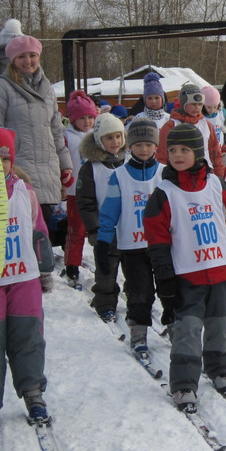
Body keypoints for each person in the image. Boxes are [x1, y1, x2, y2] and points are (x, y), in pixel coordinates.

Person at [143, 123, 226, 413]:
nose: (177, 155)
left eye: (185, 150)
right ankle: (185, 383)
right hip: (187, 276)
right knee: (187, 330)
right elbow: (158, 242)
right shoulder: (163, 194)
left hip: (220, 271)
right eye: (173, 150)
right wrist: (164, 282)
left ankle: (220, 368)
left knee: (220, 326)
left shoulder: (216, 184)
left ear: (198, 152)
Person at [95, 117, 172, 354]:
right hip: (133, 246)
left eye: (149, 144)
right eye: (139, 145)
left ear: (156, 146)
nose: (144, 149)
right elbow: (110, 212)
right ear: (130, 146)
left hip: (162, 246)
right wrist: (103, 242)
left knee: (170, 288)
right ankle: (138, 330)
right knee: (140, 291)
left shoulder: (165, 173)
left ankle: (176, 325)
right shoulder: (119, 176)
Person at [0, 127, 55, 423]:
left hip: (24, 278)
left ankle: (33, 390)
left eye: (4, 158)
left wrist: (45, 268)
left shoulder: (25, 190)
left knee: (28, 337)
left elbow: (39, 232)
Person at [0, 33, 73, 230]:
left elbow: (57, 130)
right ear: (13, 60)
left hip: (48, 169)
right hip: (19, 170)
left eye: (33, 55)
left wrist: (65, 166)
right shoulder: (4, 87)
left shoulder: (47, 89)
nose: (28, 61)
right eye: (22, 56)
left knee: (43, 235)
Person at [75, 112, 127, 322]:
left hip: (131, 228)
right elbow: (85, 202)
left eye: (118, 136)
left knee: (134, 271)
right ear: (99, 140)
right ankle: (105, 303)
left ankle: (137, 302)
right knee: (106, 270)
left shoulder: (131, 161)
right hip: (106, 230)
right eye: (109, 137)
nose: (115, 142)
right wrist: (94, 229)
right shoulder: (90, 168)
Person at [62, 89, 99, 288]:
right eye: (82, 118)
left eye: (90, 117)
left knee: (95, 229)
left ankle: (99, 261)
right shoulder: (67, 137)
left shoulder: (96, 136)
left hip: (95, 192)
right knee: (76, 230)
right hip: (75, 192)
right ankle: (71, 264)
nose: (86, 121)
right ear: (73, 119)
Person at [157, 83, 225, 178]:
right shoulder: (171, 126)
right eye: (193, 104)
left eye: (200, 104)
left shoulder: (206, 124)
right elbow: (162, 155)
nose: (197, 107)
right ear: (183, 104)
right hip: (179, 176)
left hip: (205, 175)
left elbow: (214, 152)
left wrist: (219, 175)